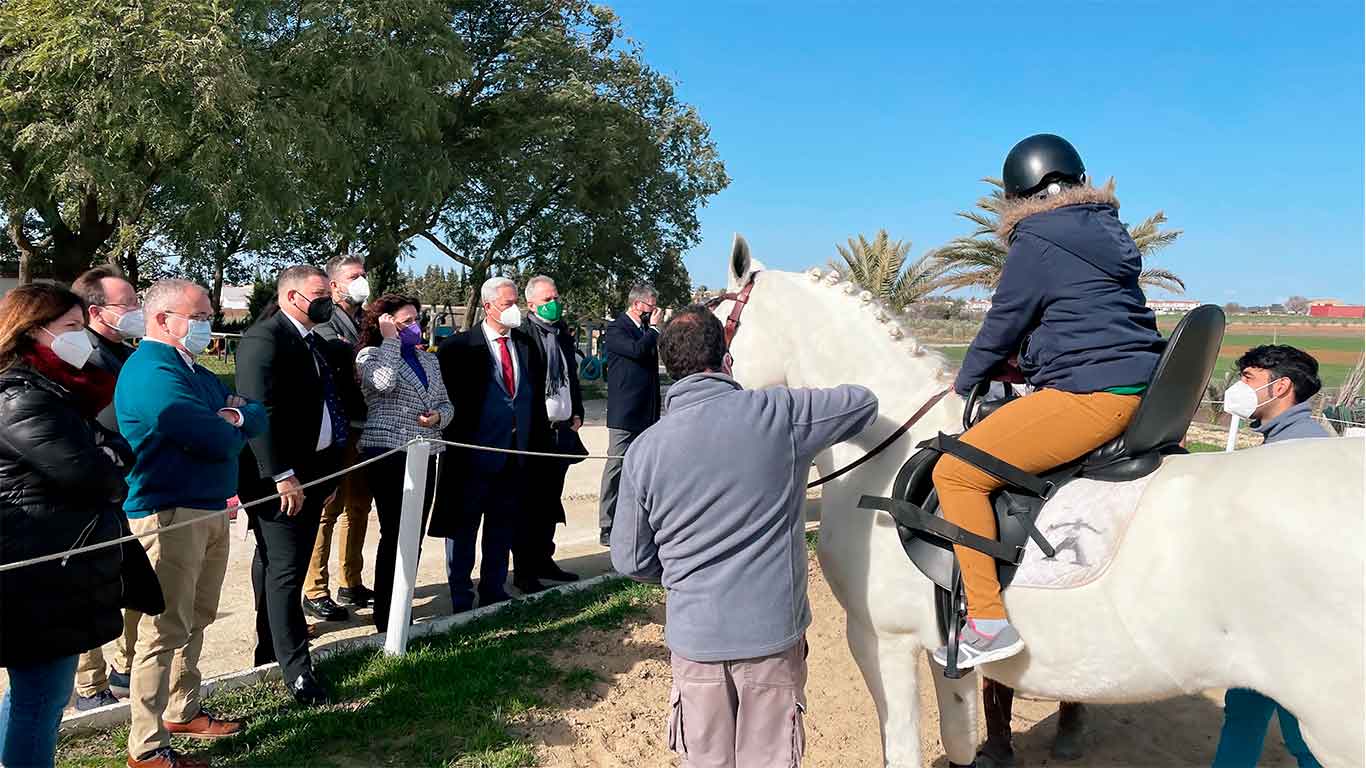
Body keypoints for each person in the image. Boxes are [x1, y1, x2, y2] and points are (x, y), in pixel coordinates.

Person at [930, 133, 1166, 668]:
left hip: (1093, 396)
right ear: (1079, 180)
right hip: (1144, 389)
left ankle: (987, 624)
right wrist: (1030, 362)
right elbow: (1084, 321)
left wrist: (966, 380)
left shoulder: (1036, 237)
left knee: (957, 473)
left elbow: (1003, 321)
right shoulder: (1105, 232)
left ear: (1015, 194)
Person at [610, 306, 877, 768]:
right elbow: (863, 403)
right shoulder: (780, 413)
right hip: (769, 635)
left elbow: (630, 559)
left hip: (695, 638)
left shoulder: (643, 450)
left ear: (668, 367)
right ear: (726, 358)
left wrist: (683, 572)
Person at [117, 280, 267, 768]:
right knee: (163, 630)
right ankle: (147, 746)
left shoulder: (194, 371)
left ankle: (182, 709)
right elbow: (210, 438)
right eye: (199, 316)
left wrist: (234, 417)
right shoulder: (150, 371)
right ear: (163, 319)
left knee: (196, 618)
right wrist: (231, 421)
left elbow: (256, 414)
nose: (208, 325)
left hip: (210, 508)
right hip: (170, 514)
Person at [0, 283, 132, 768]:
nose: (83, 337)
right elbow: (96, 476)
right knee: (42, 698)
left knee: (33, 694)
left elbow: (117, 449)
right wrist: (107, 460)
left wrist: (108, 455)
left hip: (57, 561)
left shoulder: (57, 391)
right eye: (72, 327)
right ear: (34, 330)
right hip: (37, 567)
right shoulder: (21, 397)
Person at [1211, 345, 1330, 768]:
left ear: (1280, 387)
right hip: (1266, 617)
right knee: (1246, 716)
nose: (1237, 387)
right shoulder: (1287, 443)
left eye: (1248, 377)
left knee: (1304, 733)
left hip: (1292, 622)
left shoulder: (1303, 452)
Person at [236, 265, 347, 706]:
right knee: (285, 569)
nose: (326, 303)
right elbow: (257, 410)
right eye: (318, 295)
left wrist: (330, 472)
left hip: (315, 473)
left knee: (278, 564)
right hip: (279, 478)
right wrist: (281, 474)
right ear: (291, 297)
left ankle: (271, 649)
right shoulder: (265, 339)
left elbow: (326, 406)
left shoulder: (313, 341)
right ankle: (297, 671)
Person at [432, 276, 551, 610]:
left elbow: (533, 400)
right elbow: (446, 400)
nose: (515, 310)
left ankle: (493, 591)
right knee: (463, 529)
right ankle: (460, 596)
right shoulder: (458, 348)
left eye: (516, 303)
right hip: (472, 457)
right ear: (487, 307)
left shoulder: (526, 345)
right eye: (507, 304)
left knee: (502, 526)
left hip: (514, 454)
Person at [70, 266, 146, 709]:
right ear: (96, 311)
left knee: (135, 578)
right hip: (94, 487)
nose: (137, 310)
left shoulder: (131, 354)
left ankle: (125, 667)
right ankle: (89, 683)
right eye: (128, 303)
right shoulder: (78, 358)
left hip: (133, 484)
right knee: (90, 587)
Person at [354, 294, 452, 630]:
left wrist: (439, 416)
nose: (415, 326)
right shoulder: (370, 355)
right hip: (388, 453)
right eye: (406, 321)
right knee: (395, 532)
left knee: (415, 533)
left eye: (416, 319)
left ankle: (403, 604)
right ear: (385, 323)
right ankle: (388, 616)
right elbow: (384, 383)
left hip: (426, 450)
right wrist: (390, 341)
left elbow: (446, 403)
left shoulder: (429, 360)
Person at [303, 255, 374, 621]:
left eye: (363, 274)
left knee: (359, 506)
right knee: (328, 509)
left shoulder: (366, 319)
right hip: (337, 427)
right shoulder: (324, 320)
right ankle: (315, 589)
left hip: (366, 426)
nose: (362, 281)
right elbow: (343, 360)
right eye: (354, 276)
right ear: (333, 285)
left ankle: (352, 580)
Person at [517, 275, 584, 583]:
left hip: (563, 431)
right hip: (536, 433)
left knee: (550, 502)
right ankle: (525, 570)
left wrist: (577, 411)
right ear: (531, 304)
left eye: (555, 297)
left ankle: (544, 559)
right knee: (529, 503)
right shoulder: (523, 335)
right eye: (547, 300)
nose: (553, 304)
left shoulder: (562, 334)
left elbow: (571, 377)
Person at [598, 283, 662, 545]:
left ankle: (640, 520)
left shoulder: (646, 331)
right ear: (637, 304)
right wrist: (654, 330)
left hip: (647, 410)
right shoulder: (617, 329)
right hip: (625, 412)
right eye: (651, 307)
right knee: (617, 465)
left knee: (644, 467)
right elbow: (636, 351)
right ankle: (607, 523)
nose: (654, 312)